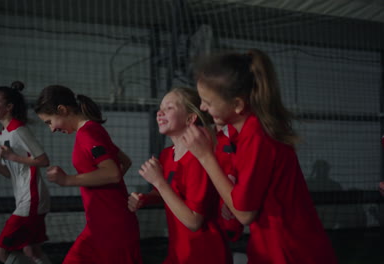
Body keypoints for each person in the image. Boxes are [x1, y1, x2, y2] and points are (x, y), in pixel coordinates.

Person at [181, 49, 338, 263]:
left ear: (237, 105)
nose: (202, 107)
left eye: (208, 102)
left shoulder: (256, 137)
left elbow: (245, 213)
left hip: (290, 249)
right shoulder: (243, 133)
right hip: (272, 244)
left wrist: (205, 156)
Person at [34, 85, 142, 264]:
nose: (52, 129)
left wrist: (67, 179)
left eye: (49, 122)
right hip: (98, 224)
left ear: (62, 110)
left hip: (112, 226)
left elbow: (113, 173)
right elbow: (124, 162)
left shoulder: (88, 133)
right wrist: (106, 190)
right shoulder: (92, 131)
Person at [128, 87, 231, 264]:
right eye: (160, 108)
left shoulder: (197, 157)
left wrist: (159, 182)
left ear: (190, 118)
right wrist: (146, 198)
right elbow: (168, 194)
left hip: (205, 253)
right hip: (180, 251)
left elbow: (193, 221)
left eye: (169, 108)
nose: (160, 112)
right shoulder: (167, 154)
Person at [0, 81, 52, 264]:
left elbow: (43, 160)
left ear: (9, 107)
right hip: (26, 197)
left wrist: (13, 157)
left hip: (32, 198)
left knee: (0, 253)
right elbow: (8, 173)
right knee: (32, 250)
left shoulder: (19, 130)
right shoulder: (3, 134)